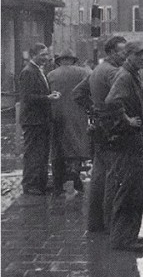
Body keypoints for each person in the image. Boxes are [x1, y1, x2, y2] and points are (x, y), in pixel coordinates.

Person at [72, 35, 128, 233]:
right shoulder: (114, 72)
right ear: (112, 52)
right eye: (123, 51)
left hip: (98, 128)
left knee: (99, 175)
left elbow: (77, 94)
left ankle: (95, 223)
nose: (126, 54)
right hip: (113, 128)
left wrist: (94, 110)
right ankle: (110, 223)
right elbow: (121, 100)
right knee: (114, 177)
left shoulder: (97, 71)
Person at [104, 41, 143, 252]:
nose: (142, 58)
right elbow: (112, 101)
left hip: (132, 141)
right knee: (128, 191)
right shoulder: (124, 76)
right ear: (129, 56)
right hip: (127, 142)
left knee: (136, 191)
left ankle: (128, 235)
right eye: (138, 55)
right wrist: (127, 120)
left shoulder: (132, 75)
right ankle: (122, 239)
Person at [47, 50, 91, 194]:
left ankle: (58, 184)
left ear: (59, 61)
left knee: (58, 148)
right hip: (78, 114)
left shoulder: (51, 75)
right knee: (78, 145)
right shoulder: (84, 73)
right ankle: (75, 173)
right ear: (73, 60)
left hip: (57, 115)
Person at [18, 43, 60, 195]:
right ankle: (30, 184)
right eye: (42, 55)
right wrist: (47, 98)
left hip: (40, 120)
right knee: (33, 153)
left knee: (41, 152)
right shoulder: (29, 72)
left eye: (47, 54)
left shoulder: (37, 71)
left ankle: (40, 183)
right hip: (33, 120)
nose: (46, 58)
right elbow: (27, 97)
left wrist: (49, 95)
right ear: (33, 55)